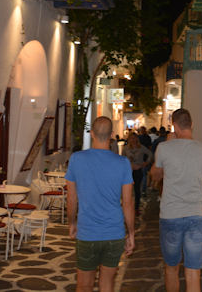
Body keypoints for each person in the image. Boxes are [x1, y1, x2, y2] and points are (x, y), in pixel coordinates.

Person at [150, 108, 202, 292]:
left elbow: (155, 176)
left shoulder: (164, 148)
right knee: (193, 271)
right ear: (192, 125)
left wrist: (167, 143)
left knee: (171, 268)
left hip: (170, 216)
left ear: (174, 126)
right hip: (197, 216)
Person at [66, 116, 135, 292]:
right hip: (114, 232)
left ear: (92, 134)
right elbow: (127, 203)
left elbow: (72, 198)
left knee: (84, 285)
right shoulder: (123, 163)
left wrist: (72, 222)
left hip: (87, 232)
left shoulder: (76, 159)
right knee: (107, 284)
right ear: (112, 135)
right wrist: (131, 233)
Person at [123, 132, 152, 215]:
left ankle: (136, 208)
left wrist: (145, 163)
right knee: (128, 190)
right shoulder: (126, 148)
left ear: (137, 139)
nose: (133, 139)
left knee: (137, 190)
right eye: (131, 138)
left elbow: (150, 154)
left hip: (138, 170)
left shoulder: (141, 148)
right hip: (128, 171)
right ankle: (128, 207)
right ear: (129, 139)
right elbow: (122, 158)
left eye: (135, 138)